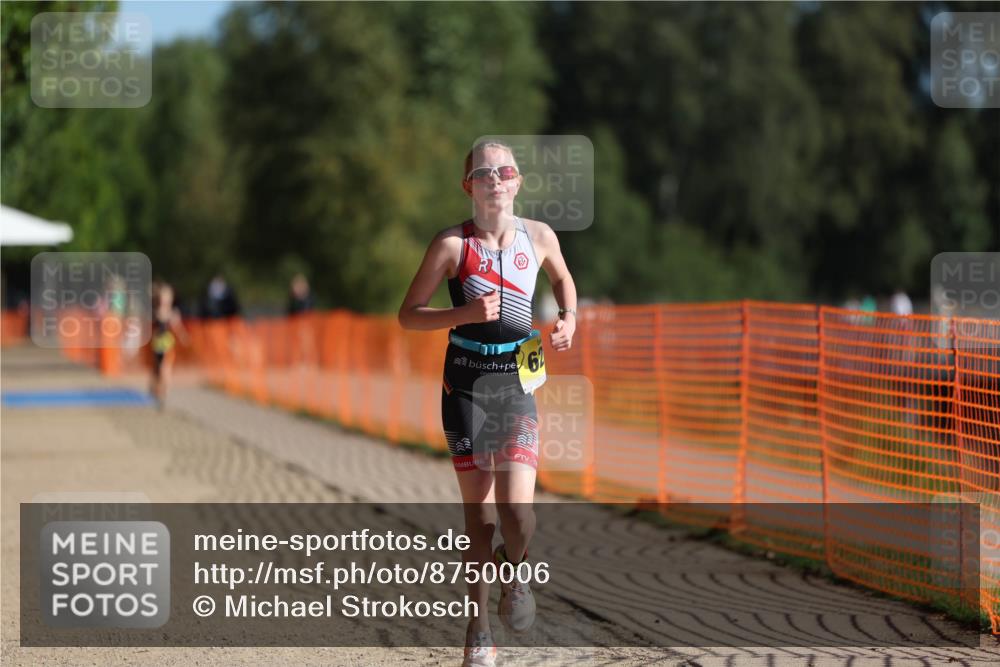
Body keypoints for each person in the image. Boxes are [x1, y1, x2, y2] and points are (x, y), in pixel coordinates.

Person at [398, 141, 577, 667]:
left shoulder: (539, 236)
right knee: (479, 518)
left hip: (517, 382)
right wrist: (465, 314)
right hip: (466, 386)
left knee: (516, 512)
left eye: (504, 171)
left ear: (517, 181)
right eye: (483, 172)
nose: (494, 179)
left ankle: (514, 570)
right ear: (468, 186)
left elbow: (563, 278)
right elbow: (408, 314)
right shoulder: (452, 245)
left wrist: (569, 318)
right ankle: (478, 630)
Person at [149, 282, 189, 409]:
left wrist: (183, 337)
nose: (165, 299)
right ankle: (155, 391)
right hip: (156, 345)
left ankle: (164, 394)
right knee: (156, 370)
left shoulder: (173, 313)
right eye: (163, 296)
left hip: (167, 346)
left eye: (168, 296)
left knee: (165, 369)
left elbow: (178, 328)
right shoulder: (154, 312)